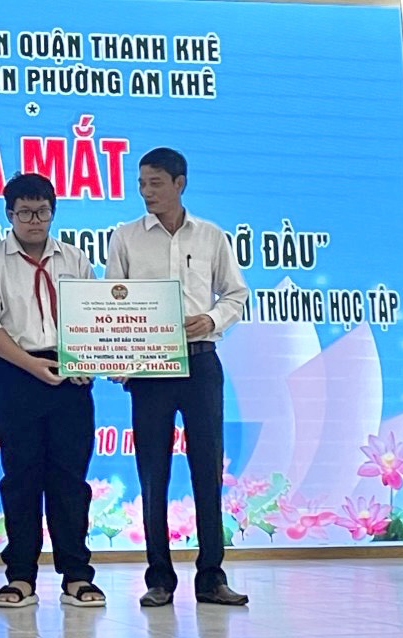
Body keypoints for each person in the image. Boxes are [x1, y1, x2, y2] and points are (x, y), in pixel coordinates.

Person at [105, 148, 250, 607]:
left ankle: (211, 575)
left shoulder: (210, 236)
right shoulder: (125, 237)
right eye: (142, 183)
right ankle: (159, 579)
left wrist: (210, 319)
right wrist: (116, 359)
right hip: (151, 369)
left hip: (201, 362)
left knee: (207, 468)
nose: (146, 192)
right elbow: (112, 304)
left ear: (180, 183)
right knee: (153, 473)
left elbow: (236, 293)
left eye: (156, 183)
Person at [0, 173, 105, 608]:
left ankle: (77, 575)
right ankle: (20, 577)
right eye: (24, 212)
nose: (34, 220)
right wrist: (31, 365)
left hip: (69, 375)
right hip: (15, 374)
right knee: (22, 478)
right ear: (9, 215)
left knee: (70, 479)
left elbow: (94, 316)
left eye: (42, 211)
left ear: (53, 213)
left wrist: (85, 361)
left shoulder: (76, 259)